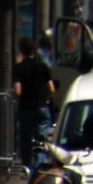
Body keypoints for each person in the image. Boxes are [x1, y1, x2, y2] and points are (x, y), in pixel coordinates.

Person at [12, 39, 54, 168]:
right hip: (41, 107)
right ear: (34, 51)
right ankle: (39, 168)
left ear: (21, 51)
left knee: (25, 140)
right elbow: (51, 88)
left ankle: (27, 167)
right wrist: (46, 98)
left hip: (26, 109)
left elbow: (18, 91)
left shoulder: (19, 68)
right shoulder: (43, 66)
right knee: (41, 141)